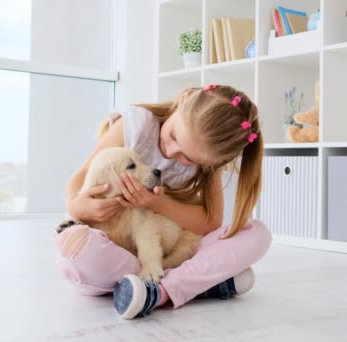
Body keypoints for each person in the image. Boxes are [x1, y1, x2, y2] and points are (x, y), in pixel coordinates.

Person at [55, 84, 272, 319]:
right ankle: (193, 283)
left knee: (257, 235)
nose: (171, 151)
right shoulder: (136, 124)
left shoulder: (209, 160)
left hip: (168, 249)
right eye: (173, 136)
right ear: (183, 99)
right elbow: (80, 180)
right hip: (118, 247)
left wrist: (154, 203)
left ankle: (156, 291)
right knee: (80, 247)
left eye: (187, 158)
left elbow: (209, 223)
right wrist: (77, 206)